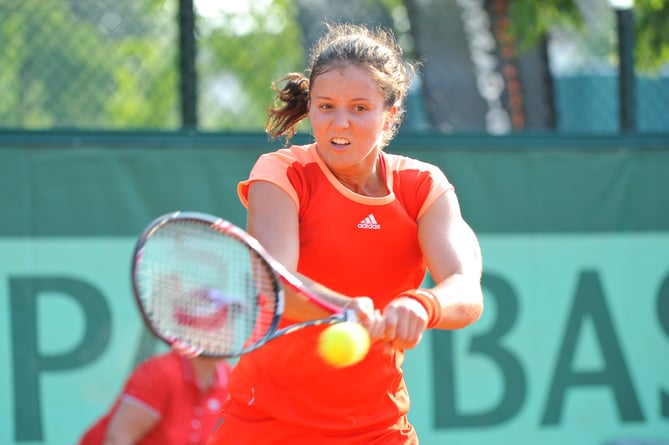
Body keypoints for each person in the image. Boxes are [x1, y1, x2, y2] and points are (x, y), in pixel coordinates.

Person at [208, 21, 484, 445]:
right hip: (265, 428)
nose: (340, 124)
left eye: (359, 108)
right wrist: (345, 308)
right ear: (311, 107)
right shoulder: (282, 173)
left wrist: (423, 304)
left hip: (378, 430)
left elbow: (465, 291)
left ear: (389, 113)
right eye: (325, 107)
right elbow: (274, 282)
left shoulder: (423, 186)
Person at [78, 351, 233, 445]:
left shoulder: (231, 380)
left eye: (229, 319)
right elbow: (117, 440)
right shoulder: (162, 373)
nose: (226, 329)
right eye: (217, 320)